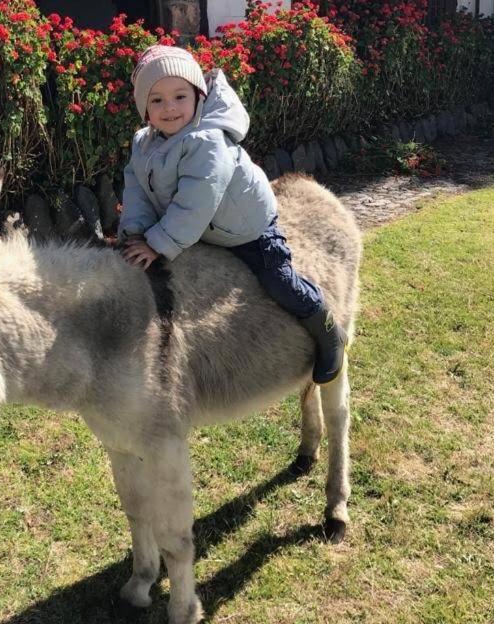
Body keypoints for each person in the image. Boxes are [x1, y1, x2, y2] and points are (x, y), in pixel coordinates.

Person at [118, 44, 347, 384]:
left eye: (180, 96)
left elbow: (197, 202)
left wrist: (157, 243)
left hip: (246, 227)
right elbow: (136, 189)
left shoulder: (208, 141)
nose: (170, 108)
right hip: (203, 228)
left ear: (198, 95)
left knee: (278, 280)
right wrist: (134, 233)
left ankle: (327, 329)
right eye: (157, 100)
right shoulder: (144, 144)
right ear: (144, 110)